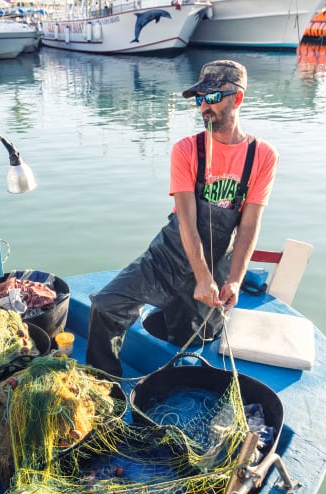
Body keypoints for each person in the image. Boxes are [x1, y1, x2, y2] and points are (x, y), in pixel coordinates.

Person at [85, 60, 280, 377]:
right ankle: (105, 385)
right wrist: (201, 275)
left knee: (193, 344)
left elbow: (249, 224)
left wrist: (233, 279)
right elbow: (187, 221)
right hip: (167, 257)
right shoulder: (187, 149)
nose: (204, 107)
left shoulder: (263, 156)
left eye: (213, 98)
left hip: (217, 268)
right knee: (105, 306)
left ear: (237, 98)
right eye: (199, 99)